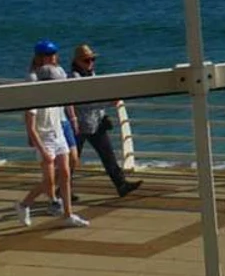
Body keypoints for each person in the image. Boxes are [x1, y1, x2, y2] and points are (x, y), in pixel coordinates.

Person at [15, 40, 88, 229]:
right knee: (49, 180)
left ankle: (68, 214)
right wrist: (40, 147)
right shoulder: (33, 84)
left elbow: (66, 96)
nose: (53, 57)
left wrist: (72, 118)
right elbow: (30, 125)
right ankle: (25, 204)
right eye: (49, 55)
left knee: (65, 173)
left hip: (58, 132)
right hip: (44, 136)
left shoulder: (57, 77)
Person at [70, 45, 141, 199]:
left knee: (108, 155)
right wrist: (108, 102)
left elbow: (96, 95)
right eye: (87, 60)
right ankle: (62, 190)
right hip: (79, 126)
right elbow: (84, 103)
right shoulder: (74, 78)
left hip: (96, 123)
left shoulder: (91, 74)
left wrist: (103, 115)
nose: (90, 63)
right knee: (72, 160)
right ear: (77, 61)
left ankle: (121, 185)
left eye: (92, 59)